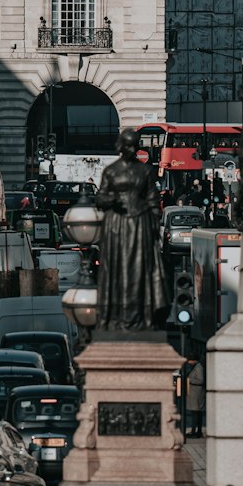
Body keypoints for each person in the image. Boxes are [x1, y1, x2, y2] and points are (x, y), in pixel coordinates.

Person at [93, 127, 170, 331]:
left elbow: (153, 199)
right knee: (117, 269)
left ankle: (141, 317)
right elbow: (100, 198)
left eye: (133, 145)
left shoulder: (144, 171)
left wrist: (154, 223)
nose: (130, 148)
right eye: (127, 144)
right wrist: (111, 199)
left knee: (139, 270)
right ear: (120, 146)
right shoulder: (111, 171)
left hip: (140, 225)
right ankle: (116, 316)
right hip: (116, 225)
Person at [186, 358, 206, 437]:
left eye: (190, 360)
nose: (188, 362)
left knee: (196, 413)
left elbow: (200, 380)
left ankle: (195, 432)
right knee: (196, 413)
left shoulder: (198, 367)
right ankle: (196, 431)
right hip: (196, 394)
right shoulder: (196, 367)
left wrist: (189, 379)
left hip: (197, 394)